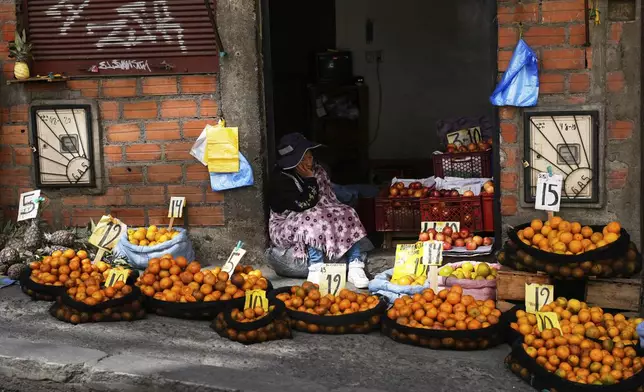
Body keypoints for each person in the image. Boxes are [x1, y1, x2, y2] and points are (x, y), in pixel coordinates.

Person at [268, 133, 370, 288]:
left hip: (319, 213)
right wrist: (310, 180)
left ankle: (355, 264)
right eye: (303, 159)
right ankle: (316, 266)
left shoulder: (318, 171)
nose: (309, 162)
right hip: (285, 223)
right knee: (312, 217)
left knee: (347, 211)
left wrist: (313, 179)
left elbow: (327, 199)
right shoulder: (280, 179)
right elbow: (303, 205)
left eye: (310, 157)